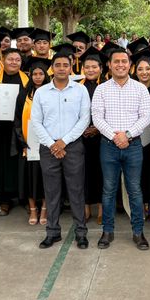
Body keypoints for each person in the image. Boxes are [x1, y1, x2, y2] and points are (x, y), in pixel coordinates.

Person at [91, 46, 150, 250]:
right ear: (109, 65)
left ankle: (138, 232)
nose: (120, 65)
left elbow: (145, 116)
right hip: (108, 146)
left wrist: (126, 136)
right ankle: (107, 231)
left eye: (124, 61)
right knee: (109, 190)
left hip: (133, 145)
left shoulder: (140, 89)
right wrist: (115, 137)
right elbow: (97, 118)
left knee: (134, 190)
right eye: (116, 61)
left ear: (130, 65)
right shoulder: (101, 89)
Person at [30, 47, 92, 250]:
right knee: (52, 191)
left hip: (72, 147)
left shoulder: (80, 90)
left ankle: (81, 233)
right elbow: (36, 122)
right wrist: (52, 144)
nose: (62, 68)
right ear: (52, 68)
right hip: (48, 148)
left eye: (66, 65)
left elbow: (84, 119)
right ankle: (52, 232)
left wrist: (64, 142)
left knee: (76, 191)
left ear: (71, 68)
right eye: (58, 65)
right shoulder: (41, 92)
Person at [0, 48, 29, 216]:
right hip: (0, 130)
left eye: (17, 60)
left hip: (21, 129)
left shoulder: (27, 80)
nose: (13, 62)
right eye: (10, 59)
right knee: (2, 165)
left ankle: (25, 197)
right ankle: (4, 200)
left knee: (22, 164)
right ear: (3, 60)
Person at [14, 57, 51, 225]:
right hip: (28, 143)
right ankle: (33, 209)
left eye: (40, 73)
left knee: (46, 177)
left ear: (45, 75)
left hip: (47, 143)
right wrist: (22, 141)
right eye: (34, 74)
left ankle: (44, 208)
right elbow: (16, 119)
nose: (37, 77)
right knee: (29, 177)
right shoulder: (24, 95)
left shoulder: (51, 92)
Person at [132, 50, 150, 224]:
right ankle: (142, 204)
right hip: (135, 137)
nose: (144, 72)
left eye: (147, 69)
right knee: (138, 172)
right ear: (135, 71)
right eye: (140, 69)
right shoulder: (130, 89)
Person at [78, 47, 106, 224]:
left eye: (94, 67)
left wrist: (97, 127)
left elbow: (113, 111)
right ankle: (86, 207)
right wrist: (82, 128)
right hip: (81, 137)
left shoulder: (106, 87)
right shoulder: (76, 87)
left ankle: (102, 209)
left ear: (101, 68)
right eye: (87, 67)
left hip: (103, 136)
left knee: (103, 172)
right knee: (83, 172)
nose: (90, 70)